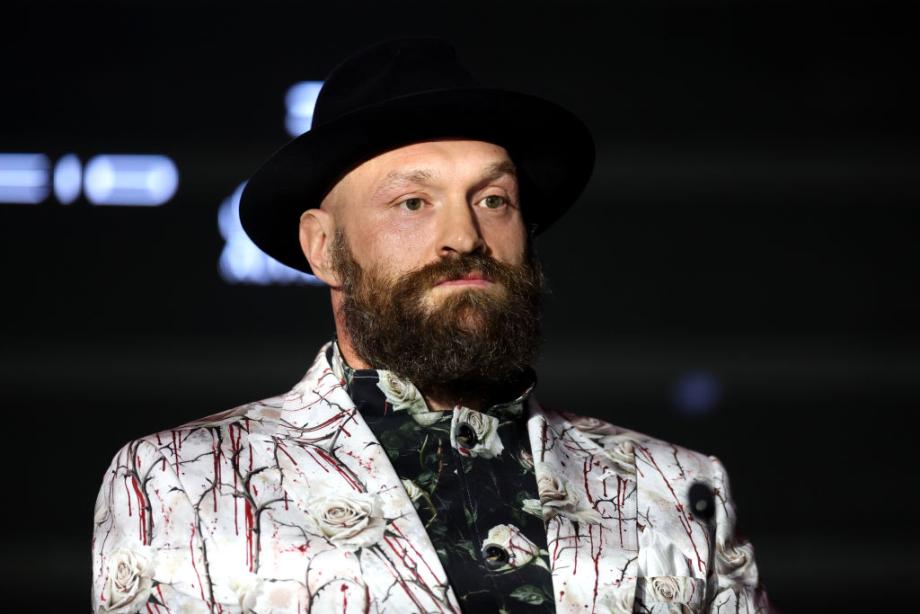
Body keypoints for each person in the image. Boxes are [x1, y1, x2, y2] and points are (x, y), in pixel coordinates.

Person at [92, 38, 768, 614]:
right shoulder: (182, 480)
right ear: (324, 247)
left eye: (493, 199)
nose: (464, 236)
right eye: (413, 202)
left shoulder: (678, 489)